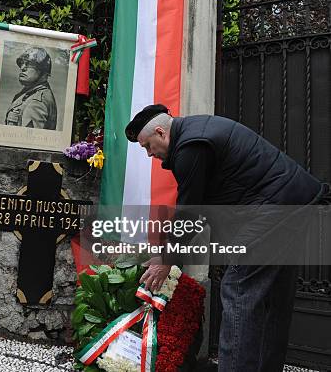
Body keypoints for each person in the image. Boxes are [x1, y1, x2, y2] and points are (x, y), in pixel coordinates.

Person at [124, 104, 330, 372]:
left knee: (238, 287)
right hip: (295, 203)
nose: (150, 153)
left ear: (161, 132)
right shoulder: (196, 132)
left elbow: (191, 213)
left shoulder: (190, 146)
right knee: (272, 297)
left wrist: (166, 259)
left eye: (147, 146)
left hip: (275, 208)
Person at [5, 47, 57, 130]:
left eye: (29, 64)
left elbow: (29, 139)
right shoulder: (30, 94)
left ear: (42, 69)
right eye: (22, 63)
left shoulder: (37, 102)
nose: (22, 68)